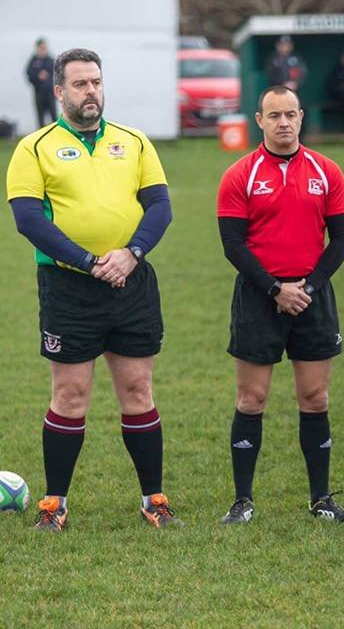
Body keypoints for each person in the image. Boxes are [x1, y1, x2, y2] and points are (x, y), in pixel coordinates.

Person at [5, 48, 176, 532]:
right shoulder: (33, 147)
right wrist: (88, 261)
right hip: (68, 287)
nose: (91, 92)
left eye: (96, 82)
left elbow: (160, 206)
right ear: (59, 91)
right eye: (80, 84)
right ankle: (54, 504)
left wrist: (131, 253)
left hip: (131, 281)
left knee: (138, 389)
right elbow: (28, 219)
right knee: (70, 393)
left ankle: (154, 500)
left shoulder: (134, 141)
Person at [216, 85, 344, 524]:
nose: (283, 122)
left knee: (315, 397)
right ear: (259, 120)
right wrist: (275, 289)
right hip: (259, 299)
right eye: (274, 115)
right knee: (251, 398)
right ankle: (243, 501)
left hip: (312, 298)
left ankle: (321, 500)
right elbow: (232, 244)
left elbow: (342, 239)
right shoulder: (240, 174)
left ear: (301, 117)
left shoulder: (327, 170)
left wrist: (308, 288)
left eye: (291, 114)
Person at [26, 37, 57, 128]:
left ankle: (56, 134)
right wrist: (38, 76)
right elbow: (28, 73)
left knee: (53, 115)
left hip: (50, 93)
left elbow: (58, 74)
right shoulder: (33, 60)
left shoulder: (51, 60)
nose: (43, 49)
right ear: (37, 48)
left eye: (44, 47)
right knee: (40, 116)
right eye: (41, 47)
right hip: (39, 93)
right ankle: (41, 135)